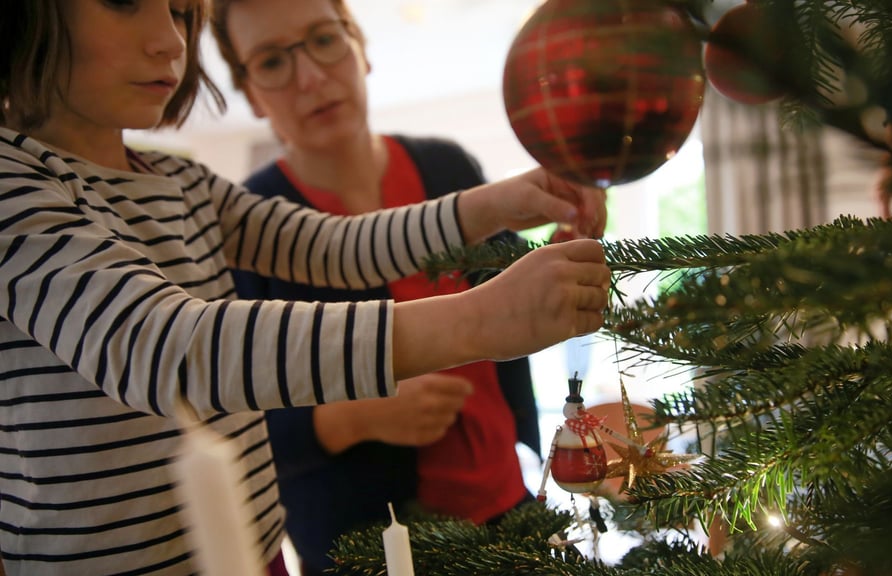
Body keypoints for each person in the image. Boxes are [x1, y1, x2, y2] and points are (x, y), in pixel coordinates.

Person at [0, 1, 611, 575]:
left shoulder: (182, 181)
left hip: (251, 547)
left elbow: (332, 247)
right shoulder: (15, 187)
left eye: (182, 12)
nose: (171, 41)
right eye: (125, 1)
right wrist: (478, 322)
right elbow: (163, 346)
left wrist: (504, 200)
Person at [207, 2, 603, 573]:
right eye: (271, 61)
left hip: (508, 510)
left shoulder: (446, 167)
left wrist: (562, 243)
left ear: (359, 46)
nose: (311, 77)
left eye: (323, 39)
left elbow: (512, 293)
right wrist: (349, 417)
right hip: (365, 545)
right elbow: (225, 422)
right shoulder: (246, 232)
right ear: (249, 91)